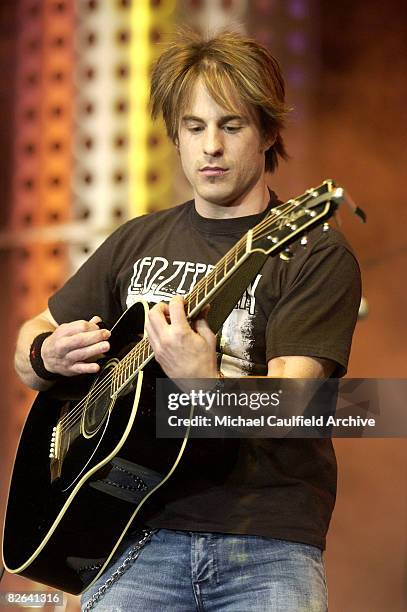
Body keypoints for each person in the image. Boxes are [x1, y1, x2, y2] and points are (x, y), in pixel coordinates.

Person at [14, 29, 361, 612]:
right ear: (175, 135)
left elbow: (297, 400)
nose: (211, 149)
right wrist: (45, 354)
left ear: (270, 132)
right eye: (194, 128)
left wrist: (205, 385)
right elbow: (27, 344)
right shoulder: (136, 239)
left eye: (231, 126)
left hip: (264, 546)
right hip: (127, 537)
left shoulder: (314, 252)